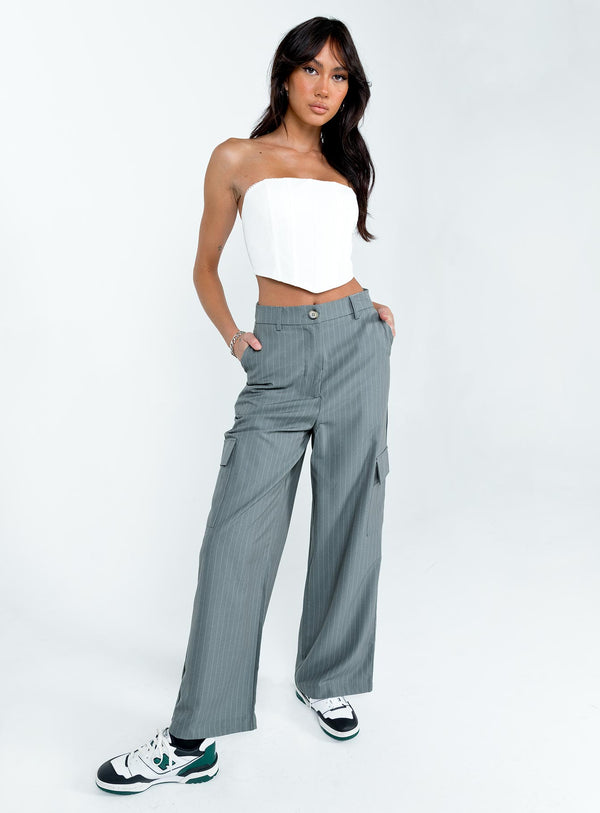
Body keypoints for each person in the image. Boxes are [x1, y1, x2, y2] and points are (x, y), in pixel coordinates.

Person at [95, 15, 395, 794]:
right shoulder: (237, 157)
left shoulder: (341, 165)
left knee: (352, 515)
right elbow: (204, 264)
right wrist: (234, 335)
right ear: (285, 73)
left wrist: (372, 316)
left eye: (340, 75)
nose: (325, 87)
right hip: (279, 351)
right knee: (236, 539)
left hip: (357, 345)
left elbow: (333, 259)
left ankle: (326, 675)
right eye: (313, 70)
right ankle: (192, 736)